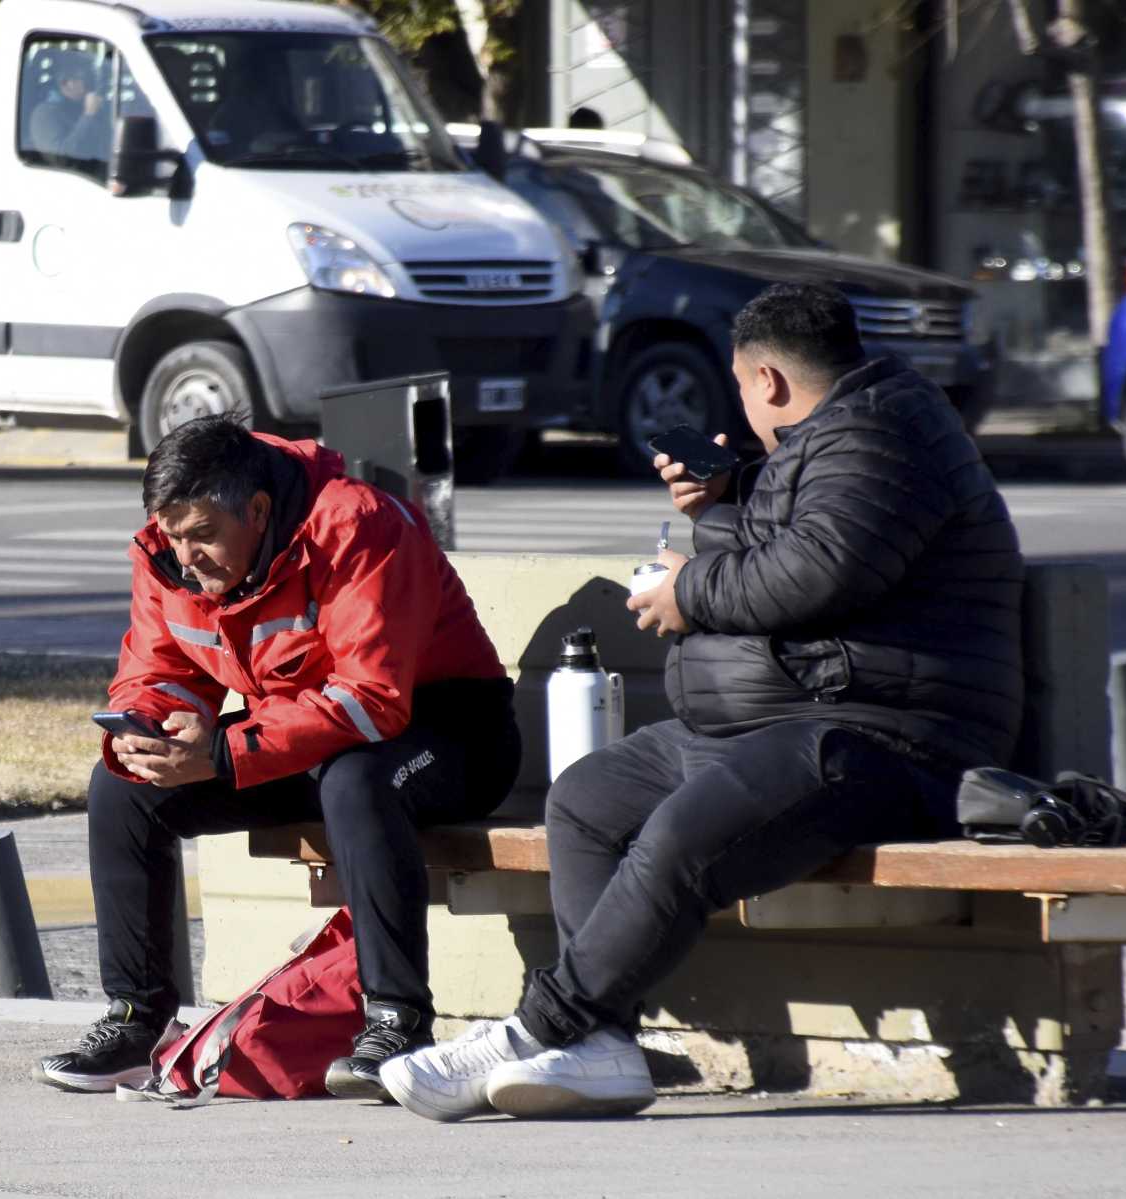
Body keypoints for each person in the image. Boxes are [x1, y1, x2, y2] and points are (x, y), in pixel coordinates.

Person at [379, 281, 1025, 1121]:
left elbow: (818, 572)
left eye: (743, 388)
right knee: (586, 800)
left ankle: (541, 1027)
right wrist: (725, 500)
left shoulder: (885, 433)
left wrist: (689, 591)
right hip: (783, 718)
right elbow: (803, 543)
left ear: (768, 380)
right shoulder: (832, 436)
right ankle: (605, 1046)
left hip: (881, 735)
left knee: (680, 833)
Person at [33, 416, 522, 1100]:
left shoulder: (358, 523)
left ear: (258, 511)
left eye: (203, 535)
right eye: (173, 536)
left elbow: (372, 701)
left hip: (449, 733)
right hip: (300, 733)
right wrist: (147, 727)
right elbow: (160, 664)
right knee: (124, 785)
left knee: (357, 780)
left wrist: (227, 751)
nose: (187, 555)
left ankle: (396, 1026)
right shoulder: (166, 553)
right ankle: (134, 1021)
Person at [27, 49, 112, 171]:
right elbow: (62, 160)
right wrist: (88, 115)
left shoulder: (80, 108)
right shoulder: (44, 114)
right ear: (66, 83)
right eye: (85, 77)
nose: (90, 84)